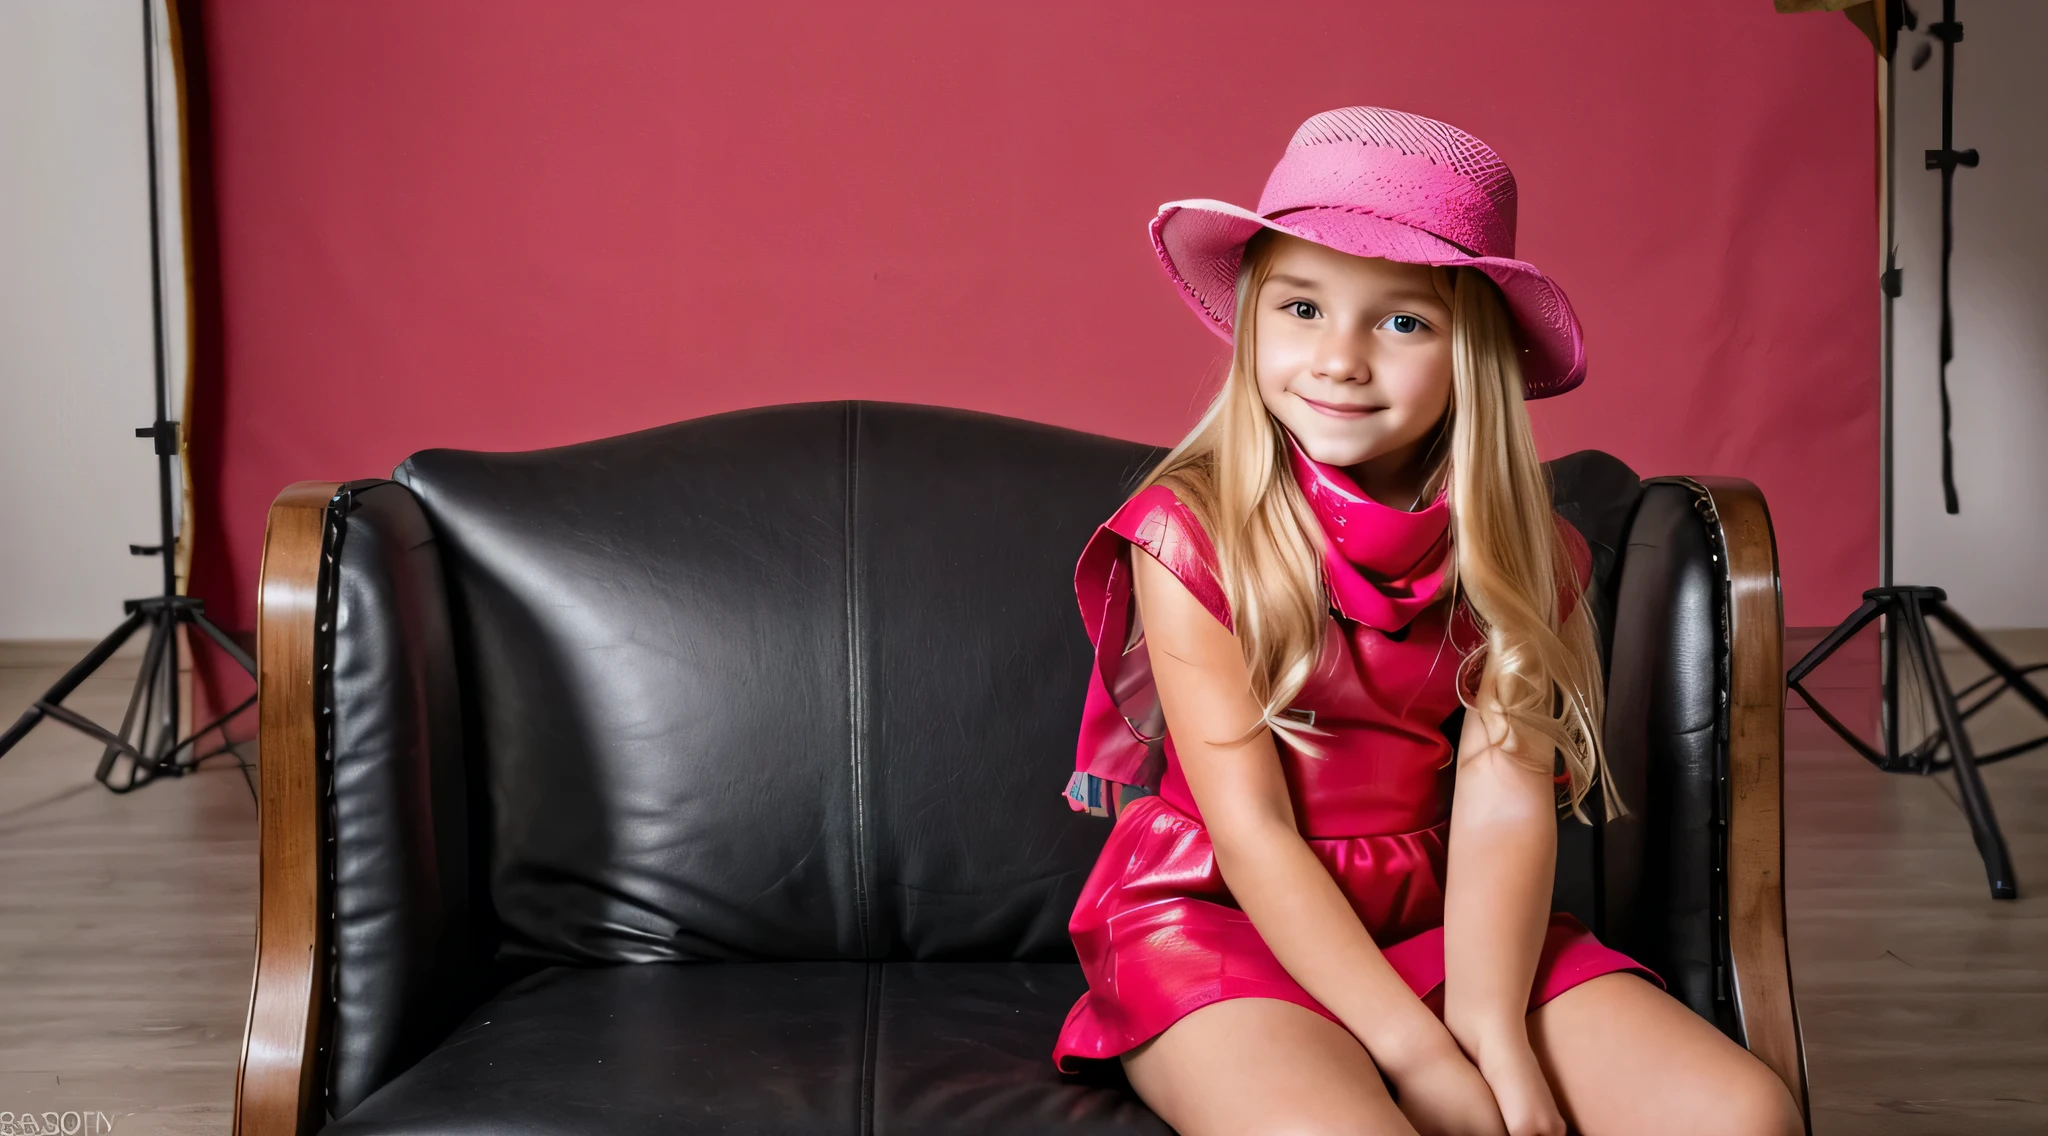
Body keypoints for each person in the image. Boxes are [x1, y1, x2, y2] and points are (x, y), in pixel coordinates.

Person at [1048, 107, 1803, 1136]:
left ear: (1469, 354)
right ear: (1251, 317)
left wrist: (1489, 1032)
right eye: (1301, 308)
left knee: (1740, 1111)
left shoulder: (1520, 551)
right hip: (1219, 912)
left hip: (1437, 916)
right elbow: (1252, 828)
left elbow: (1501, 804)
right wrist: (1416, 1052)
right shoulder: (1189, 534)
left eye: (1401, 322)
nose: (1339, 360)